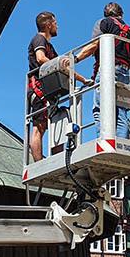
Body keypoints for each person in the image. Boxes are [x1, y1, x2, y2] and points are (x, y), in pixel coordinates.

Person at [27, 11, 90, 162]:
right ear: (48, 25)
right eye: (55, 23)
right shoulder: (39, 39)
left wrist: (83, 80)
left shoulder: (50, 46)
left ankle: (56, 160)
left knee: (55, 123)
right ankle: (38, 163)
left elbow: (62, 67)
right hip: (39, 88)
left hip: (49, 90)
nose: (57, 26)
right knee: (39, 126)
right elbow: (41, 58)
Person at [76, 2, 130, 139]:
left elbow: (94, 45)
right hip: (125, 72)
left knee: (100, 108)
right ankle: (121, 140)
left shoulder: (103, 23)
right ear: (121, 14)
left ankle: (104, 139)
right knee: (121, 109)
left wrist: (75, 59)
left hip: (108, 69)